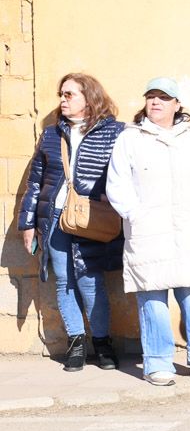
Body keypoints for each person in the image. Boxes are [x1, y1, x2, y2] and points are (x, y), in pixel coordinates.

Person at [105, 79, 190, 386]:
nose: (156, 102)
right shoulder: (130, 138)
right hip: (148, 230)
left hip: (189, 229)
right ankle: (157, 362)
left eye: (164, 97)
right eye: (151, 97)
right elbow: (117, 182)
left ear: (177, 104)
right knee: (152, 298)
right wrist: (135, 213)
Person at [19, 73, 125, 372]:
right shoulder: (51, 134)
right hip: (55, 217)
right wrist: (28, 224)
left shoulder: (115, 132)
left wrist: (111, 196)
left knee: (90, 281)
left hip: (91, 216)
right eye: (61, 95)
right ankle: (76, 344)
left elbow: (128, 174)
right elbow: (36, 182)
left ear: (89, 98)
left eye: (69, 94)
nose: (63, 100)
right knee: (64, 280)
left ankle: (102, 344)